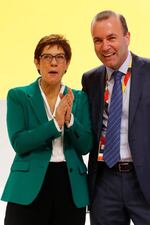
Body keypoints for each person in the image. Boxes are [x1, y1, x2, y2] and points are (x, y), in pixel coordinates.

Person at [82, 10, 150, 225]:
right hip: (104, 183)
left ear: (127, 37)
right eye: (98, 40)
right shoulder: (90, 79)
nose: (105, 47)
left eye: (111, 38)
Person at [1, 34, 93, 225]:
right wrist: (54, 124)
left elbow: (85, 146)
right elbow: (19, 142)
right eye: (47, 57)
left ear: (67, 64)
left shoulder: (78, 98)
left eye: (60, 57)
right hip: (29, 185)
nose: (54, 63)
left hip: (69, 184)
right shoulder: (18, 96)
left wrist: (70, 121)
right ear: (37, 62)